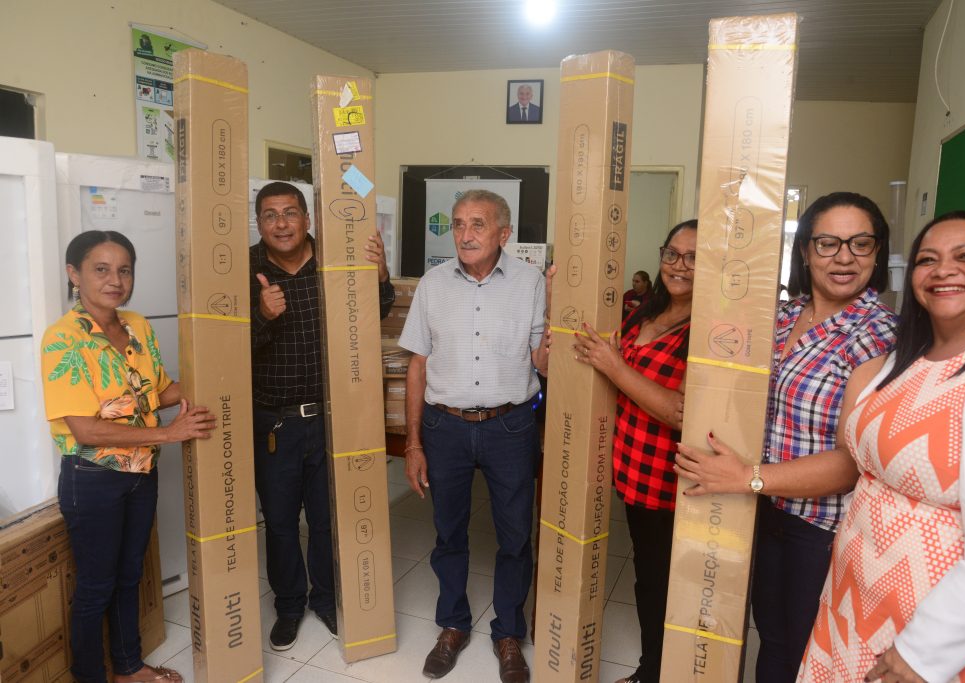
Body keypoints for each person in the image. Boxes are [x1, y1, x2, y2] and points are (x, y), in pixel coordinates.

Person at [674, 192, 898, 682]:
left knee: (806, 649)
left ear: (877, 252)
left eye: (860, 243)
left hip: (820, 530)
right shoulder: (779, 316)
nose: (844, 257)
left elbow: (851, 461)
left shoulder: (875, 332)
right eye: (828, 243)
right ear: (805, 251)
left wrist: (748, 477)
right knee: (773, 638)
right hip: (766, 512)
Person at [797, 212, 965, 682]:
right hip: (852, 599)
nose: (944, 270)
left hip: (941, 632)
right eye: (927, 260)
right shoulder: (903, 359)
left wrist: (923, 652)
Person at [42, 230, 216, 683]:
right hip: (92, 478)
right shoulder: (62, 339)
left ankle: (128, 667)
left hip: (142, 472)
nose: (115, 280)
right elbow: (85, 429)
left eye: (124, 270)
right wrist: (170, 434)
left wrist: (217, 377)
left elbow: (156, 392)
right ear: (74, 274)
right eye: (101, 269)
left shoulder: (137, 325)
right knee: (96, 585)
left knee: (129, 573)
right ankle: (90, 676)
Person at [400, 189, 549, 683]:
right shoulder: (433, 284)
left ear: (504, 234)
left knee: (515, 535)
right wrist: (413, 443)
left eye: (478, 224)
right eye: (459, 224)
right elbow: (417, 365)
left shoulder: (530, 283)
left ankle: (508, 632)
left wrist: (560, 334)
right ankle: (453, 624)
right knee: (448, 533)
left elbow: (542, 363)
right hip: (444, 427)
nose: (464, 234)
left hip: (510, 426)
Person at [249, 181, 395, 650]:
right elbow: (225, 351)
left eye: (290, 213)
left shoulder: (336, 259)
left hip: (333, 417)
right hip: (273, 422)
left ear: (307, 219)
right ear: (259, 223)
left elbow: (375, 314)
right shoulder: (245, 270)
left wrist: (380, 276)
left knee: (328, 517)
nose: (281, 224)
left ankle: (327, 599)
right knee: (279, 521)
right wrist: (262, 316)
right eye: (270, 215)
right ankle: (289, 605)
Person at [572, 221, 695, 683]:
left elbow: (682, 411)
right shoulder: (644, 312)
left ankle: (656, 672)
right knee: (649, 579)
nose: (679, 265)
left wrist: (615, 366)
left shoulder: (706, 330)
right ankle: (654, 667)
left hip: (669, 484)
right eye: (672, 253)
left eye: (694, 257)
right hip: (631, 472)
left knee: (665, 585)